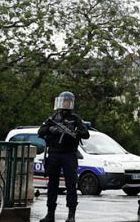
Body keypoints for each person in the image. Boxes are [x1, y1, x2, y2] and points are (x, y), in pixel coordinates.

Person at [37, 92, 89, 222]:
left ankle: (71, 215)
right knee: (52, 185)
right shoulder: (53, 118)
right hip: (54, 154)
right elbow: (40, 131)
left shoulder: (76, 119)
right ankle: (50, 214)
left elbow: (86, 134)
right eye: (63, 101)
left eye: (67, 101)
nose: (65, 103)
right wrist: (52, 129)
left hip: (69, 155)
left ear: (70, 103)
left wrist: (76, 131)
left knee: (71, 184)